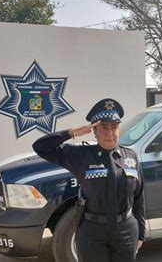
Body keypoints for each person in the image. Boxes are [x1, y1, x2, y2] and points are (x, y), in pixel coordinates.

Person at [32, 98, 145, 262]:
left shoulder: (131, 156)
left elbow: (139, 198)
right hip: (92, 232)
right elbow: (41, 147)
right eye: (104, 128)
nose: (110, 133)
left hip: (126, 230)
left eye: (114, 127)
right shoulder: (81, 155)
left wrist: (140, 233)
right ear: (94, 131)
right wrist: (72, 133)